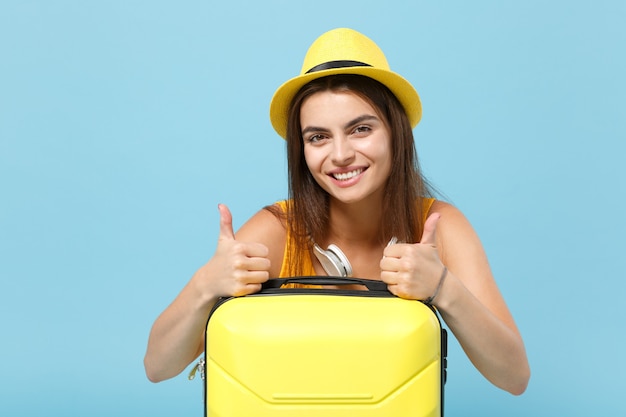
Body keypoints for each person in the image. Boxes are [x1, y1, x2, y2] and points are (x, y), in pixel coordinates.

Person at [144, 27, 530, 395]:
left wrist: (444, 288)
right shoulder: (276, 230)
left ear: (396, 132)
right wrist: (205, 284)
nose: (341, 155)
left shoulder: (439, 227)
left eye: (361, 129)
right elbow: (158, 367)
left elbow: (513, 377)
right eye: (318, 137)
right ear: (302, 150)